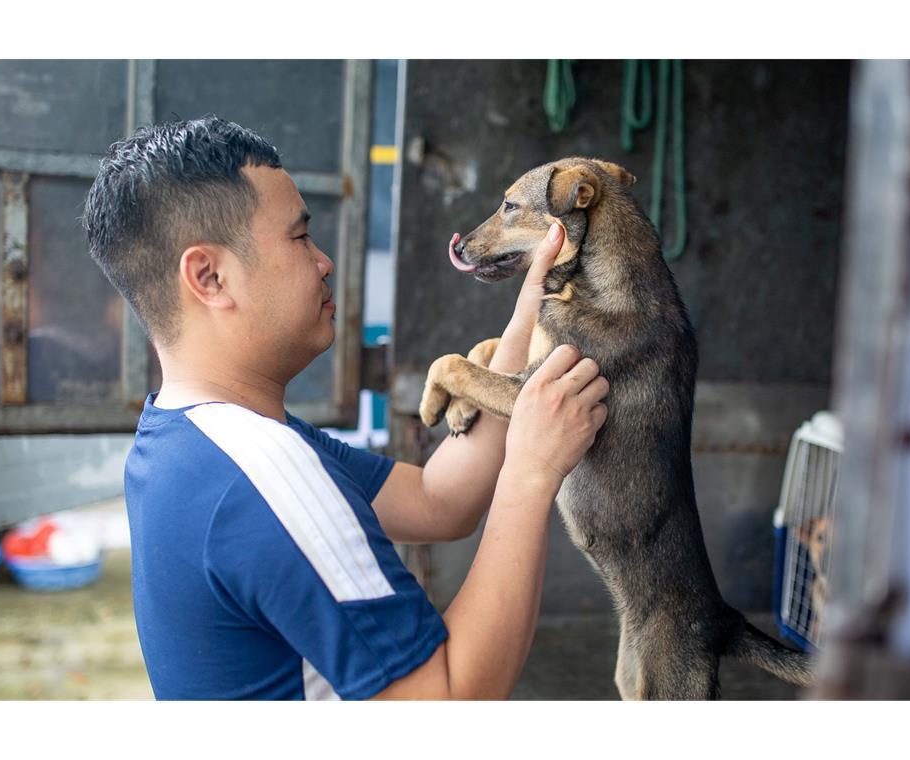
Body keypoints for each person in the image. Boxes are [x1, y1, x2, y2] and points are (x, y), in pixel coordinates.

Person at [82, 116, 608, 700]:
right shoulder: (264, 474)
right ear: (209, 276)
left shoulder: (186, 439)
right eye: (299, 236)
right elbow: (448, 702)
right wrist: (532, 473)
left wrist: (528, 314)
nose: (323, 260)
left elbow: (440, 502)